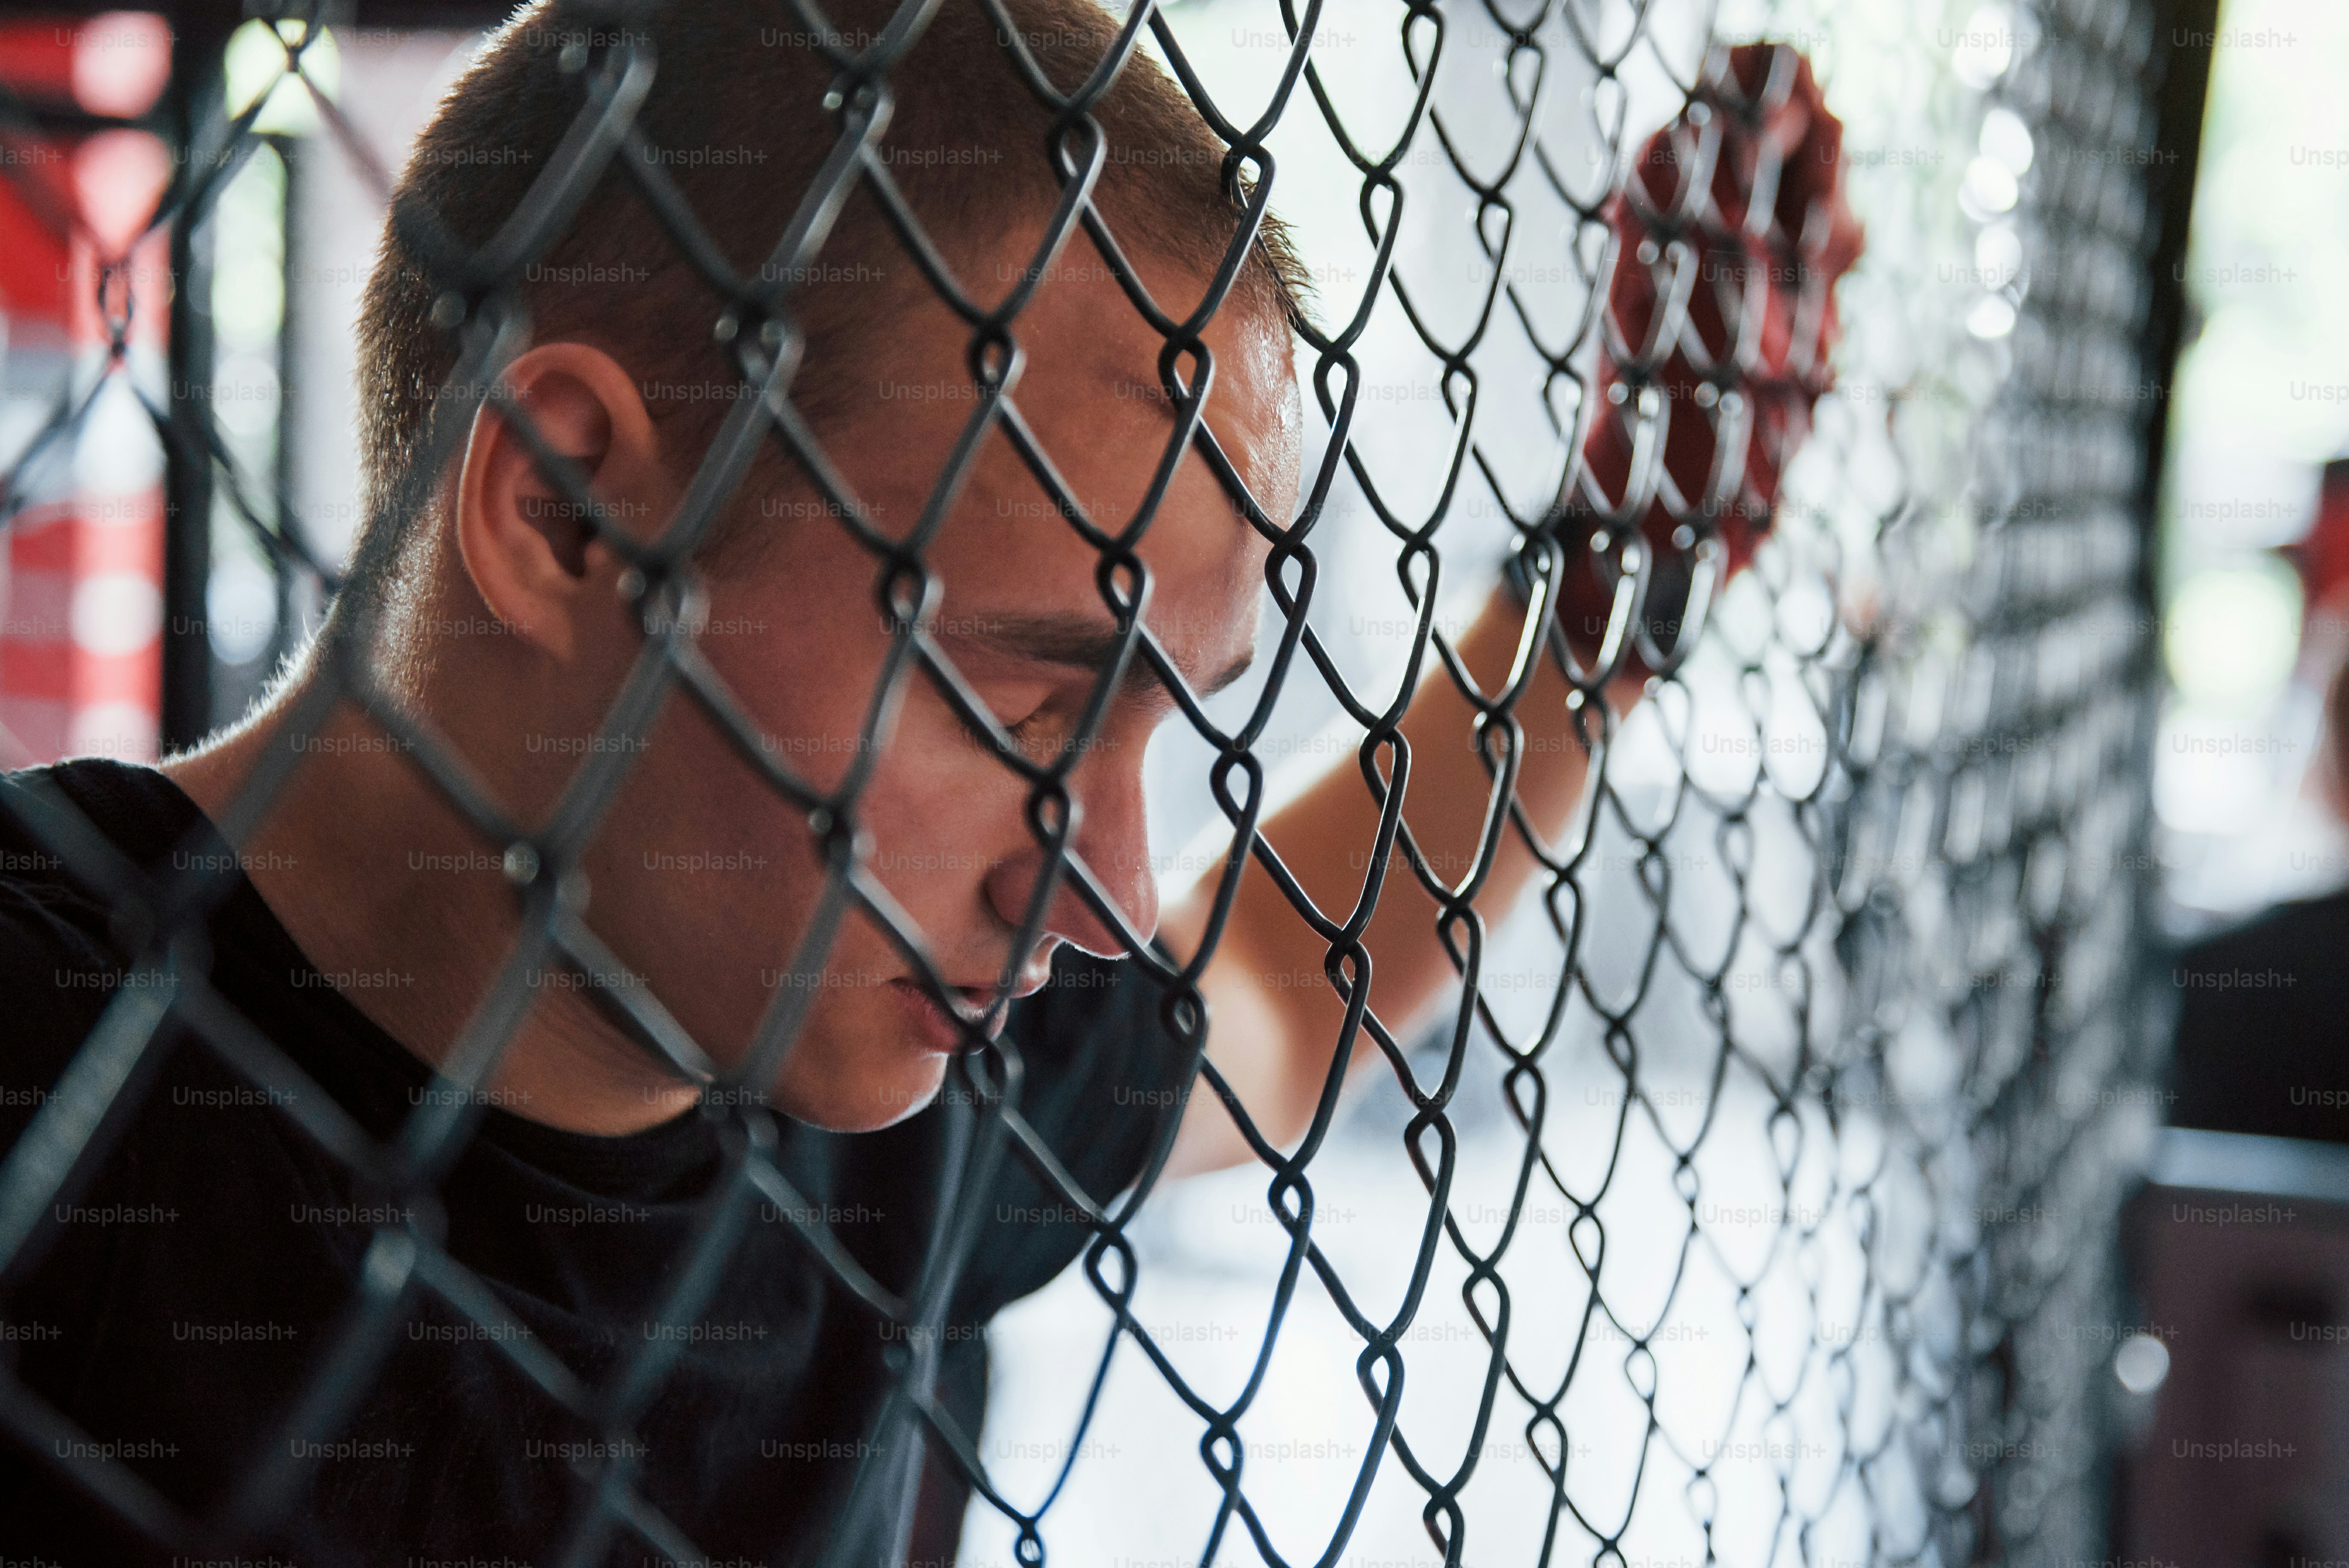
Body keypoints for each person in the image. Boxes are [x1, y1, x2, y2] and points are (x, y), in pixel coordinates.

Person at [0, 2, 1857, 1562]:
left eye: (1163, 724)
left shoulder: (880, 1092)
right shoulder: (54, 1073)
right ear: (570, 512)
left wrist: (1617, 574)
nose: (1107, 892)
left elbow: (1281, 977)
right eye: (1036, 701)